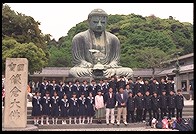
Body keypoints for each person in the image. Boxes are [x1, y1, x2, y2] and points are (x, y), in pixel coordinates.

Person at [69, 8, 133, 78]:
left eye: (102, 22)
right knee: (73, 71)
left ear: (106, 22)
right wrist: (89, 65)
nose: (99, 25)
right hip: (89, 69)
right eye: (95, 22)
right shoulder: (79, 38)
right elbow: (78, 60)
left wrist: (109, 66)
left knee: (129, 71)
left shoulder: (113, 39)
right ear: (89, 21)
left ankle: (103, 75)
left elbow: (115, 60)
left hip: (107, 70)